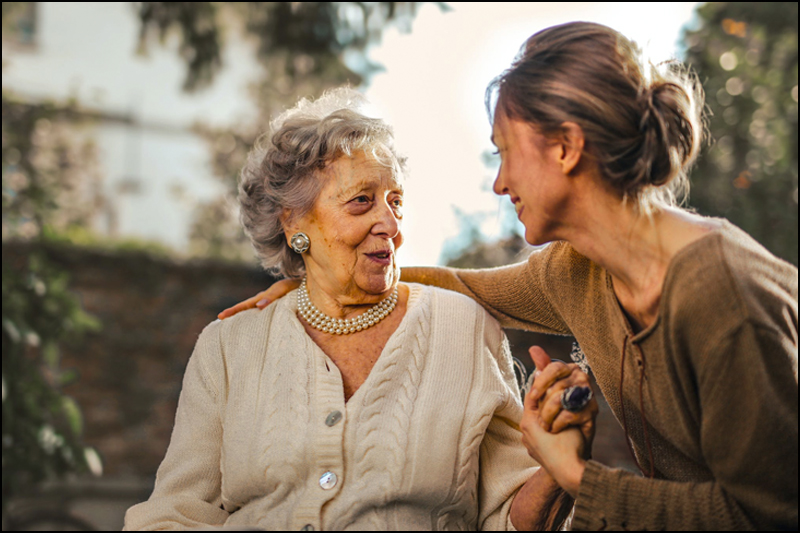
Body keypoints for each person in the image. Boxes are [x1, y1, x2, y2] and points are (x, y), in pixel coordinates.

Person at [220, 22, 799, 530]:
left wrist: (573, 473)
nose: (499, 183)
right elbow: (463, 286)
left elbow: (768, 516)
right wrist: (320, 281)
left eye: (504, 152)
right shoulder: (577, 272)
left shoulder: (722, 296)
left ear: (567, 148)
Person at [124, 88, 593, 531]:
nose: (389, 224)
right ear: (294, 222)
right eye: (362, 202)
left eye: (396, 202)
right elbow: (176, 514)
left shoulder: (463, 328)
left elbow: (508, 518)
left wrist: (556, 469)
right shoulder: (229, 345)